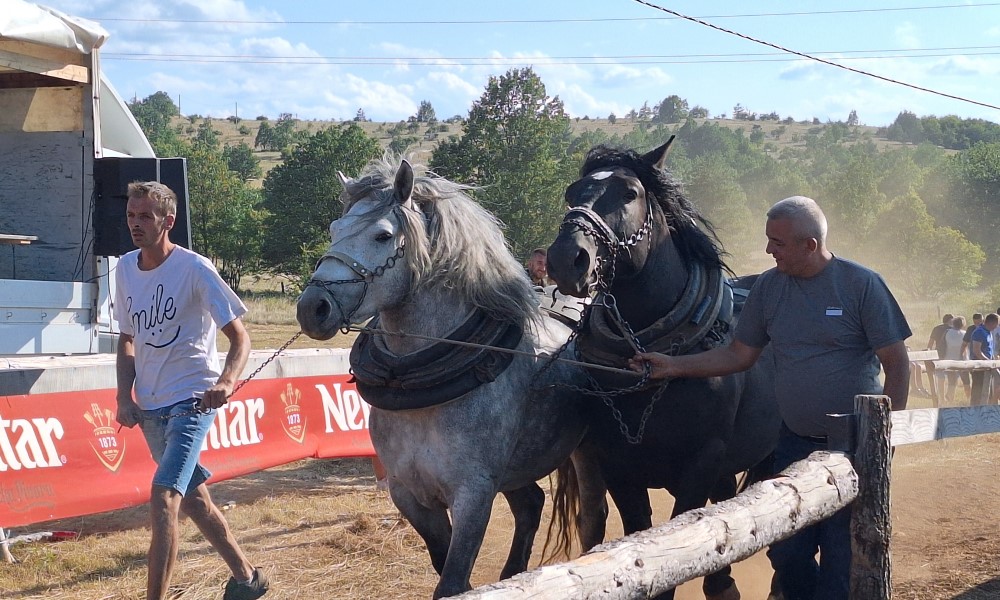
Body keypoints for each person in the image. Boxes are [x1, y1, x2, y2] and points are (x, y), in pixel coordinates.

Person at [628, 196, 911, 600]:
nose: (767, 250)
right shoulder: (769, 288)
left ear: (809, 245)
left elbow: (898, 365)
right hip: (793, 442)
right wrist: (672, 366)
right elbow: (738, 355)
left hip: (853, 446)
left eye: (777, 242)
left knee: (840, 559)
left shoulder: (861, 284)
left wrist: (884, 439)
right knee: (787, 553)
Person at [114, 181, 269, 600]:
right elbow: (127, 338)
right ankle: (247, 578)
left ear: (169, 220)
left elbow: (241, 338)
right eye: (131, 215)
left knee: (164, 498)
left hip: (192, 402)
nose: (135, 224)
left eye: (145, 216)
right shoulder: (125, 269)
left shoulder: (196, 268)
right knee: (195, 500)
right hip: (149, 406)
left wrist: (225, 381)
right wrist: (122, 397)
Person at [968, 313, 998, 406]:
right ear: (992, 323)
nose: (997, 327)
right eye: (997, 324)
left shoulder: (988, 332)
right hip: (979, 367)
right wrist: (988, 362)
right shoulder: (979, 332)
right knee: (978, 391)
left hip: (987, 366)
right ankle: (974, 411)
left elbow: (990, 350)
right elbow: (977, 351)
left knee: (988, 391)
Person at [924, 313, 953, 400]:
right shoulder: (951, 329)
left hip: (938, 353)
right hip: (949, 353)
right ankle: (948, 395)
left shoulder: (936, 328)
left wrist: (929, 353)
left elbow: (931, 342)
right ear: (950, 320)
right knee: (951, 376)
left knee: (941, 376)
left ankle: (941, 396)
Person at [942, 316, 970, 403]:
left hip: (949, 359)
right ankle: (969, 399)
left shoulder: (947, 332)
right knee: (966, 382)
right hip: (963, 360)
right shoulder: (965, 333)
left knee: (952, 382)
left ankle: (950, 399)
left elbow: (943, 345)